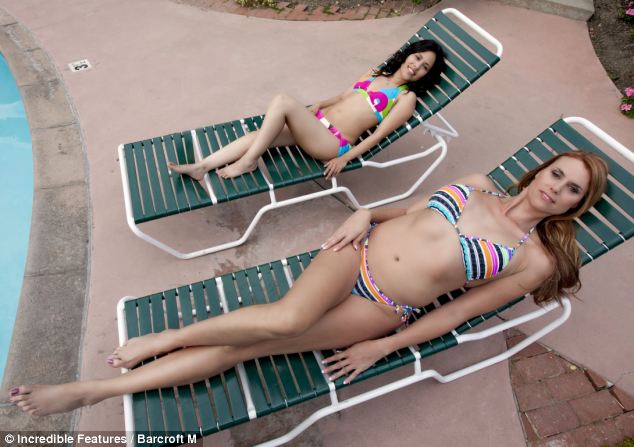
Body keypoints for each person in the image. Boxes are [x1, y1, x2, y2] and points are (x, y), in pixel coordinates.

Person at [8, 151, 608, 416]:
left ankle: (93, 392)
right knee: (286, 318)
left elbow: (455, 313)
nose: (555, 187)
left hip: (383, 305)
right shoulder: (477, 183)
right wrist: (365, 212)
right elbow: (410, 211)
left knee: (249, 347)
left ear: (575, 206)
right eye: (557, 173)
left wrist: (382, 347)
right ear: (542, 170)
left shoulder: (531, 261)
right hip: (355, 253)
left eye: (571, 189)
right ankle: (166, 338)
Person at [168, 40, 446, 180]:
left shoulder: (405, 98)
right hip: (317, 124)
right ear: (409, 54)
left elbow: (379, 135)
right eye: (417, 57)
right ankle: (202, 167)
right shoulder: (375, 73)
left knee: (283, 101)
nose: (416, 66)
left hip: (332, 142)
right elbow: (343, 96)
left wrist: (345, 158)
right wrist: (320, 104)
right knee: (258, 135)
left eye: (425, 67)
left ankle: (248, 162)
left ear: (426, 75)